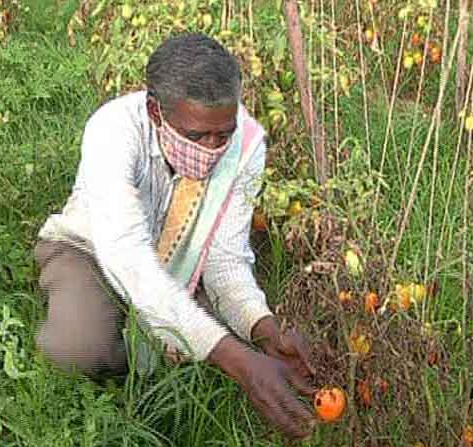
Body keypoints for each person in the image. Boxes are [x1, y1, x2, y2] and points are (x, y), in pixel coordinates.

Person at [32, 33, 317, 439]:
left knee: (218, 331)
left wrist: (262, 327)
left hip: (181, 260)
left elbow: (223, 259)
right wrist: (234, 358)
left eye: (224, 133)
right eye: (197, 135)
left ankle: (161, 334)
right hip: (91, 249)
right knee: (77, 346)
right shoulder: (113, 130)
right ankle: (120, 347)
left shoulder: (246, 145)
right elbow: (126, 256)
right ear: (155, 111)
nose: (214, 148)